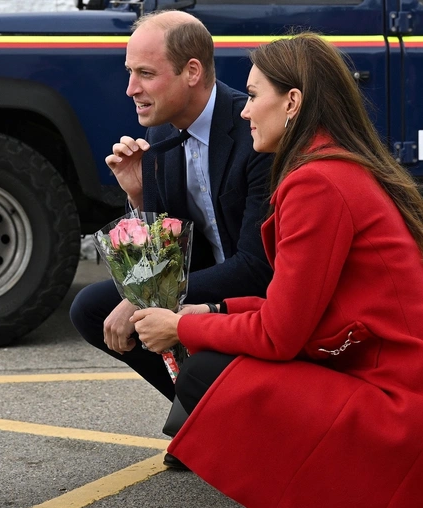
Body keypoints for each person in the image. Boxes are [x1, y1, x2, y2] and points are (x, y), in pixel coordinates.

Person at [130, 33, 423, 508]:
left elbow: (281, 335)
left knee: (207, 373)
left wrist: (183, 324)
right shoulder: (334, 166)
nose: (244, 113)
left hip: (405, 413)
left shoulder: (317, 182)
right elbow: (300, 304)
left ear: (292, 103)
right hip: (421, 402)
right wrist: (216, 308)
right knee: (217, 362)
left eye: (253, 95)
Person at [69, 11, 273, 465]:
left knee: (135, 311)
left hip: (261, 292)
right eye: (130, 73)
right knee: (92, 309)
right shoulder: (160, 130)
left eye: (145, 74)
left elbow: (258, 265)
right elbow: (167, 242)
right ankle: (205, 419)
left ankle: (231, 427)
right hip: (202, 278)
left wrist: (149, 299)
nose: (131, 89)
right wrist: (137, 197)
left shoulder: (253, 131)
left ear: (192, 71)